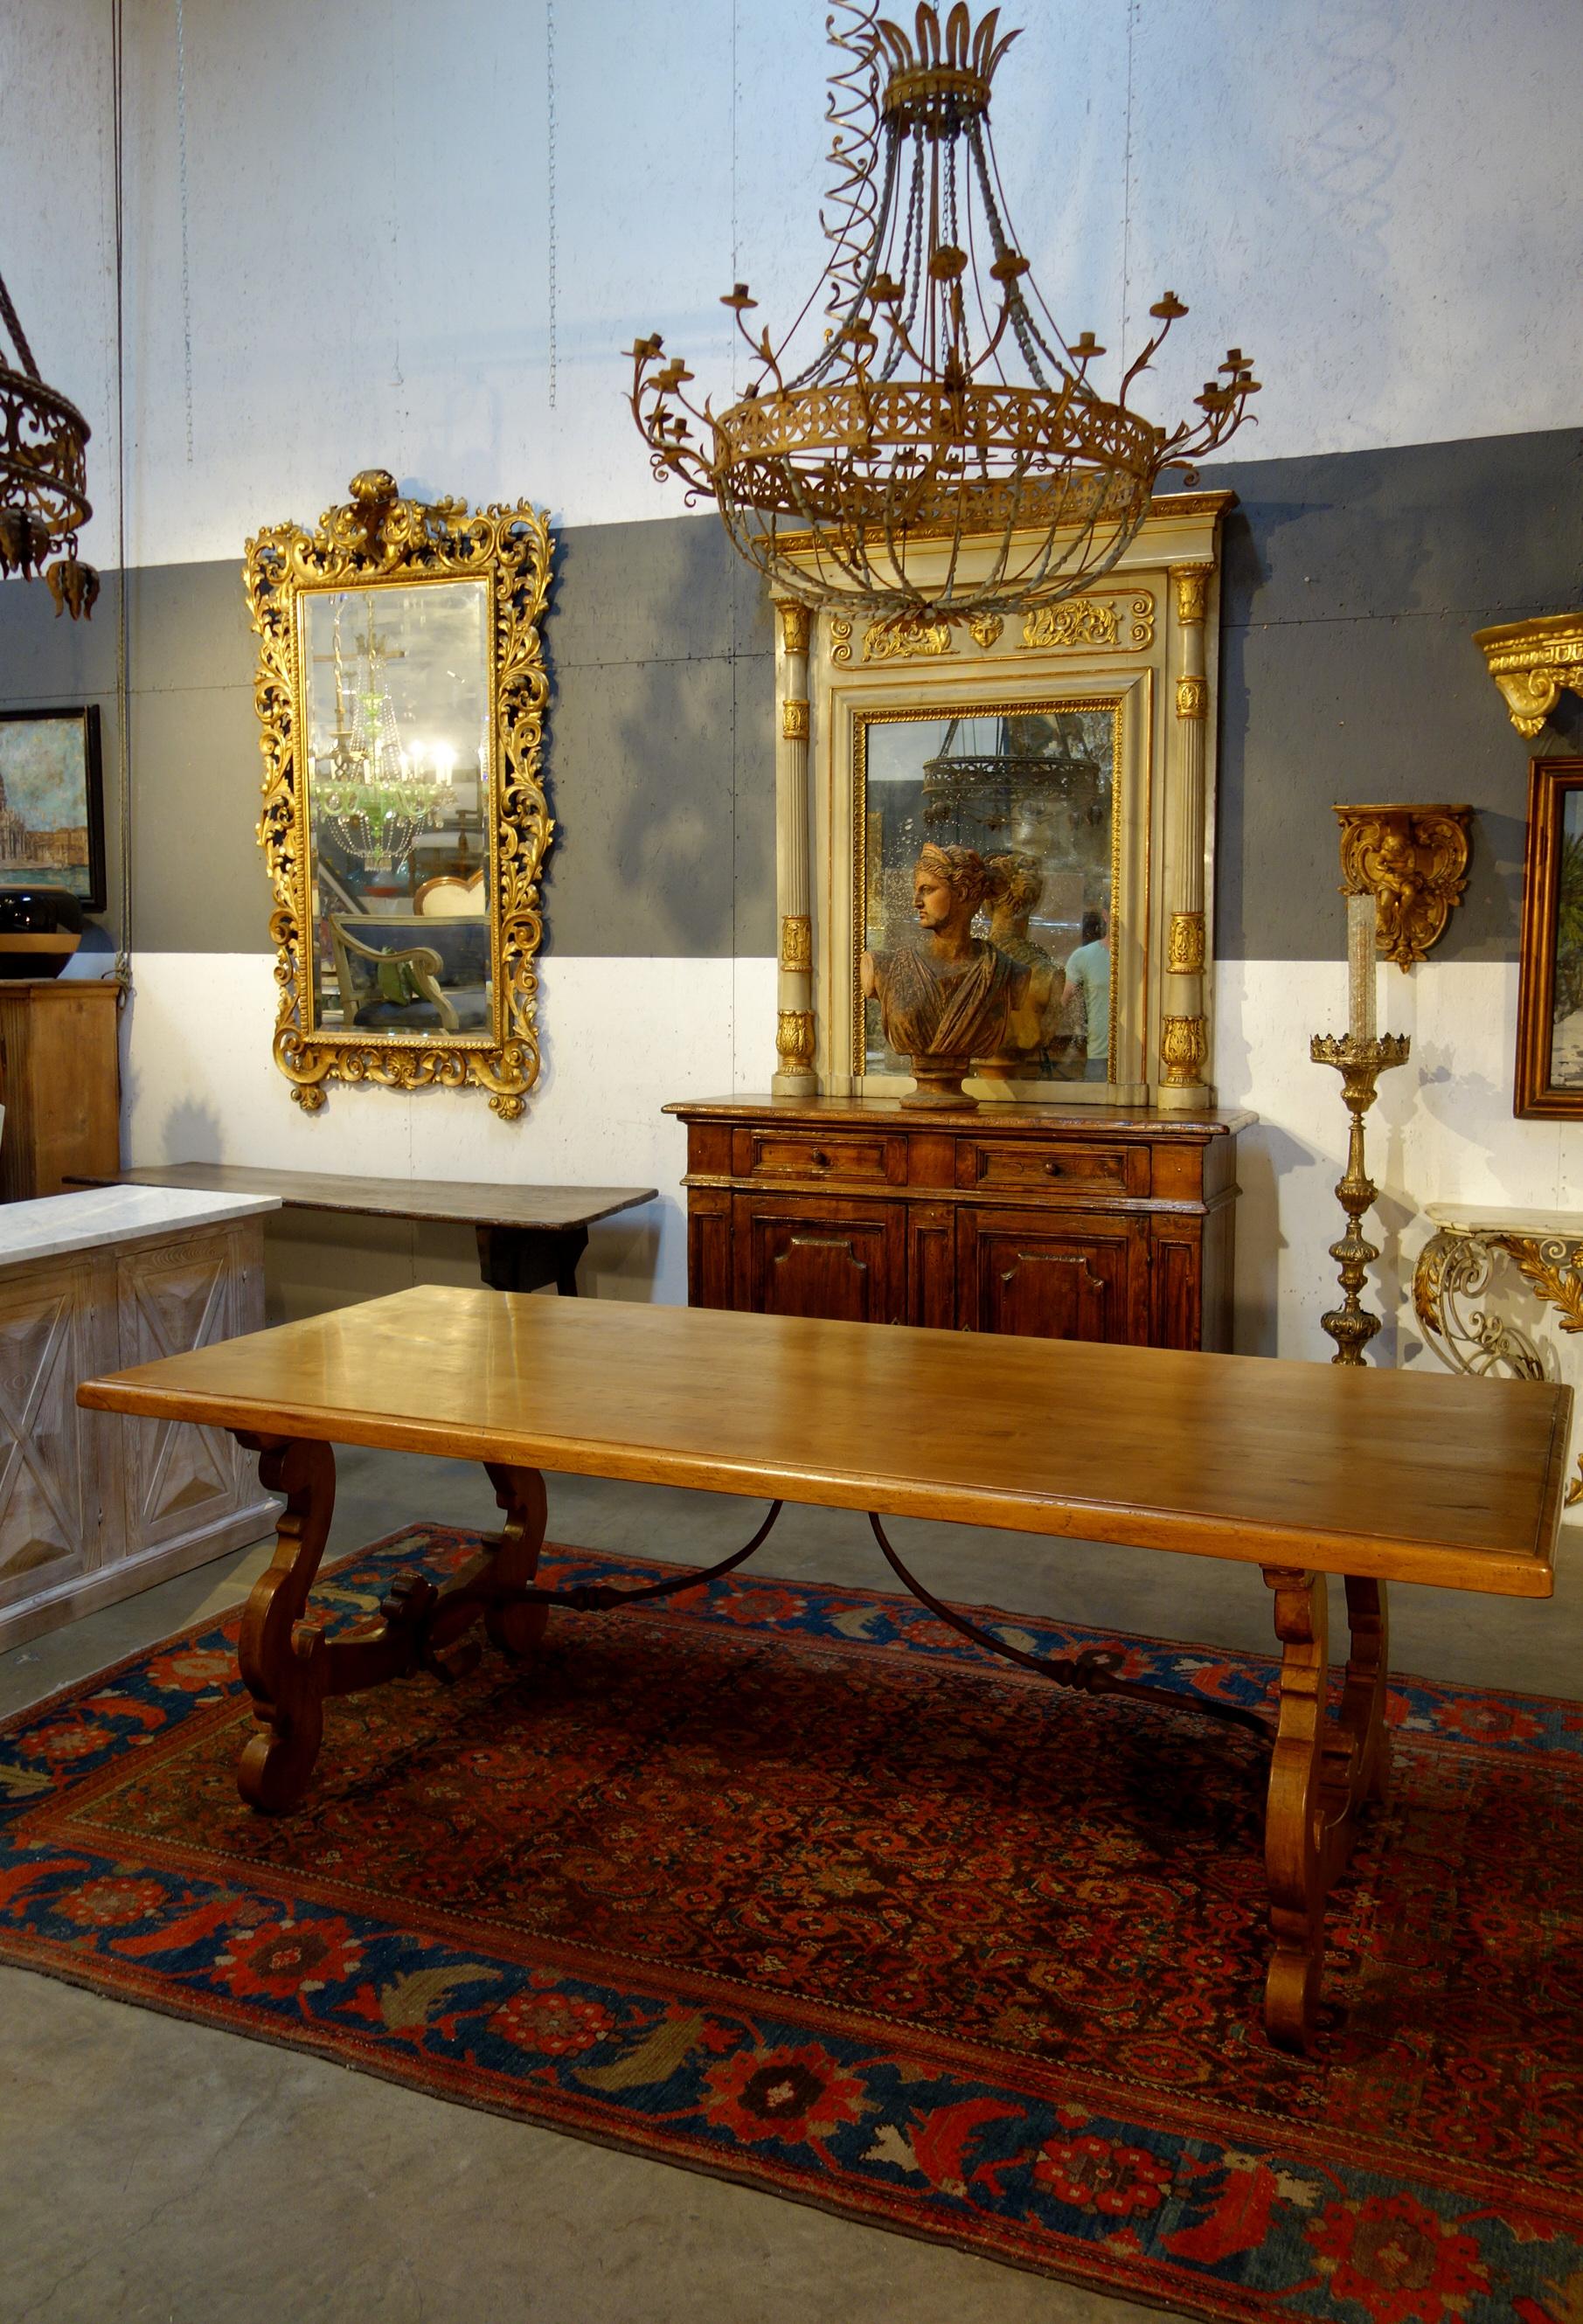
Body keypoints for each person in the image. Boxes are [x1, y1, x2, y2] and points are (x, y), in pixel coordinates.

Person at [860, 843, 1041, 1100]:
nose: (916, 902)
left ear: (963, 892)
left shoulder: (1007, 973)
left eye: (928, 890)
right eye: (916, 890)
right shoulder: (883, 966)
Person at [1062, 905, 1110, 1082]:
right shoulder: (1084, 956)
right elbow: (1062, 1001)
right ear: (1106, 915)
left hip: (1139, 1056)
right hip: (1099, 1053)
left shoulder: (1141, 958)